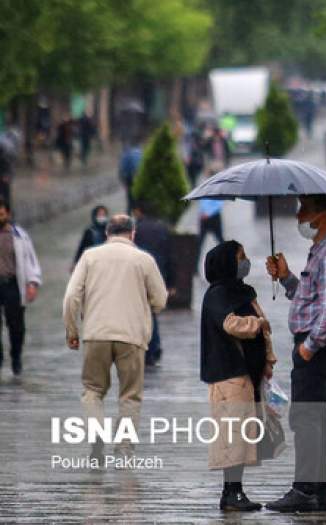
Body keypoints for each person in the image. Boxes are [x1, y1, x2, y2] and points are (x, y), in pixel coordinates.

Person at [265, 194, 326, 514]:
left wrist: (309, 346)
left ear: (323, 215)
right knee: (316, 416)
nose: (300, 215)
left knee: (308, 417)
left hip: (317, 347)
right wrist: (287, 277)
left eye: (305, 209)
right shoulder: (320, 253)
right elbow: (310, 299)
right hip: (316, 346)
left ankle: (305, 490)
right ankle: (319, 491)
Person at [63, 215, 168, 461]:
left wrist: (72, 330)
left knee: (93, 390)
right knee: (130, 395)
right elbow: (160, 301)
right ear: (132, 234)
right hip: (131, 336)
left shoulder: (89, 257)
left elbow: (71, 297)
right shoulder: (144, 260)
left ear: (108, 233)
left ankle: (96, 434)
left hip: (95, 334)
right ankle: (123, 449)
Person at [200, 241, 276, 511]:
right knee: (232, 434)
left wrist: (268, 359)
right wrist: (257, 325)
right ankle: (231, 493)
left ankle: (236, 491)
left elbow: (262, 323)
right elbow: (232, 325)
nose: (245, 261)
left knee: (242, 435)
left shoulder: (243, 292)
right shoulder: (218, 295)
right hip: (228, 374)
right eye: (240, 257)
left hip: (248, 374)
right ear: (226, 263)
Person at [132, 202, 176, 367]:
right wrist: (171, 282)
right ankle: (154, 346)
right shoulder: (162, 228)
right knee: (152, 311)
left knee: (141, 312)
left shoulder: (136, 230)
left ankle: (146, 347)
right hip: (159, 274)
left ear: (138, 210)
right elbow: (170, 255)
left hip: (139, 275)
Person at [0, 200, 41, 375]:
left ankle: (16, 355)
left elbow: (30, 261)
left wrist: (32, 282)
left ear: (7, 214)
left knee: (16, 326)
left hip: (12, 285)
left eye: (1, 213)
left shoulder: (20, 236)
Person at [197, 199, 224, 264]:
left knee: (220, 240)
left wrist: (208, 213)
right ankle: (195, 267)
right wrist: (202, 212)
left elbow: (219, 203)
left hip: (214, 217)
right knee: (199, 243)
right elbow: (202, 202)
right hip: (203, 218)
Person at [119, 142, 142, 213]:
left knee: (130, 200)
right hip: (139, 177)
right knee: (139, 199)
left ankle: (128, 216)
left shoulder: (126, 154)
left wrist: (123, 181)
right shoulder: (141, 152)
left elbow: (122, 169)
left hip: (130, 178)